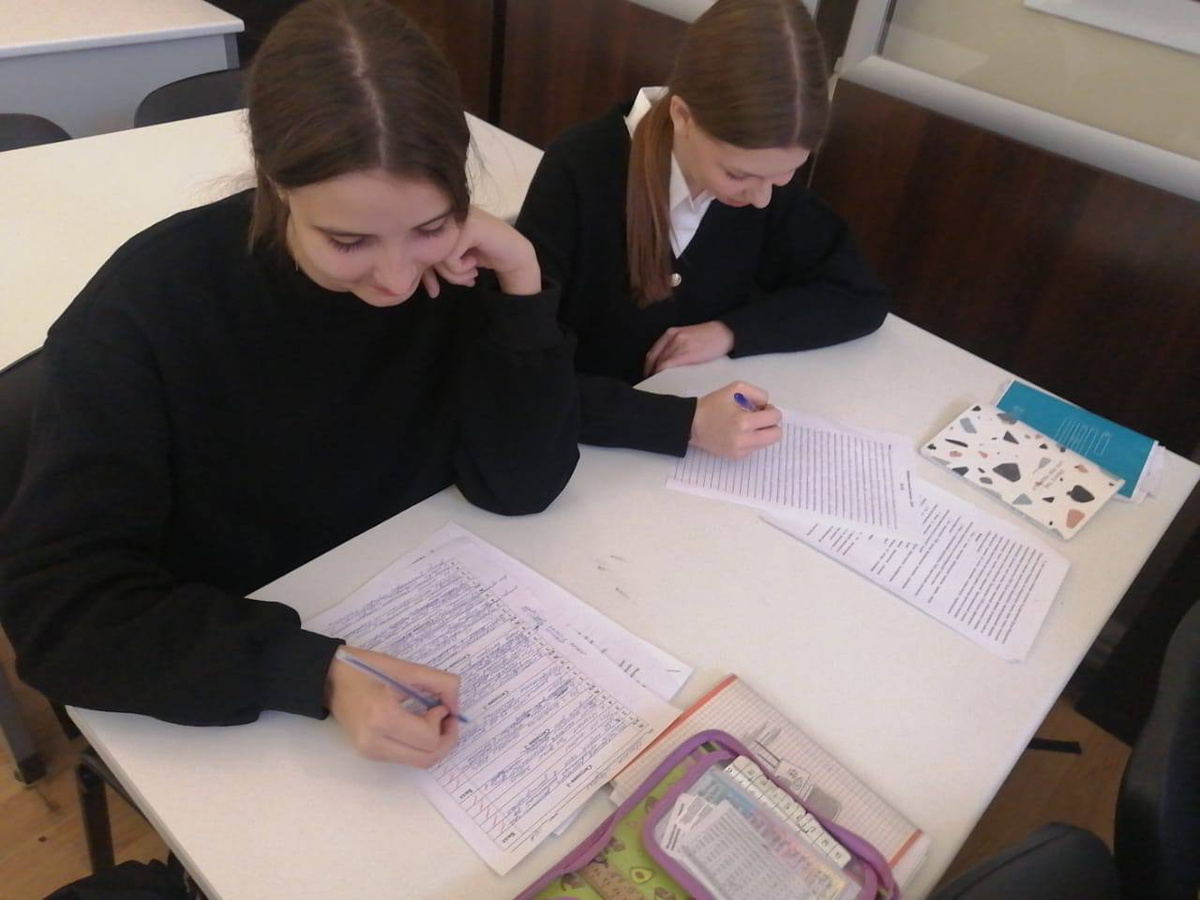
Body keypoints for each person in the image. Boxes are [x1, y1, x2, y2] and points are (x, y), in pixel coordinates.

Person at [0, 0, 579, 769]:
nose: (397, 279)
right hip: (247, 675)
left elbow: (522, 485)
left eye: (431, 226)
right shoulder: (147, 310)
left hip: (422, 611)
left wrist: (522, 282)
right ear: (274, 183)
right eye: (348, 241)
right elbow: (60, 614)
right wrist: (315, 672)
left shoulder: (460, 271)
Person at [516, 0, 889, 461]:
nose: (762, 198)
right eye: (737, 175)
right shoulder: (581, 172)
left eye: (784, 175)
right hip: (581, 455)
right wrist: (686, 422)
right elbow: (524, 380)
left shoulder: (759, 176)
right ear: (683, 116)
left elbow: (858, 295)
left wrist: (730, 331)